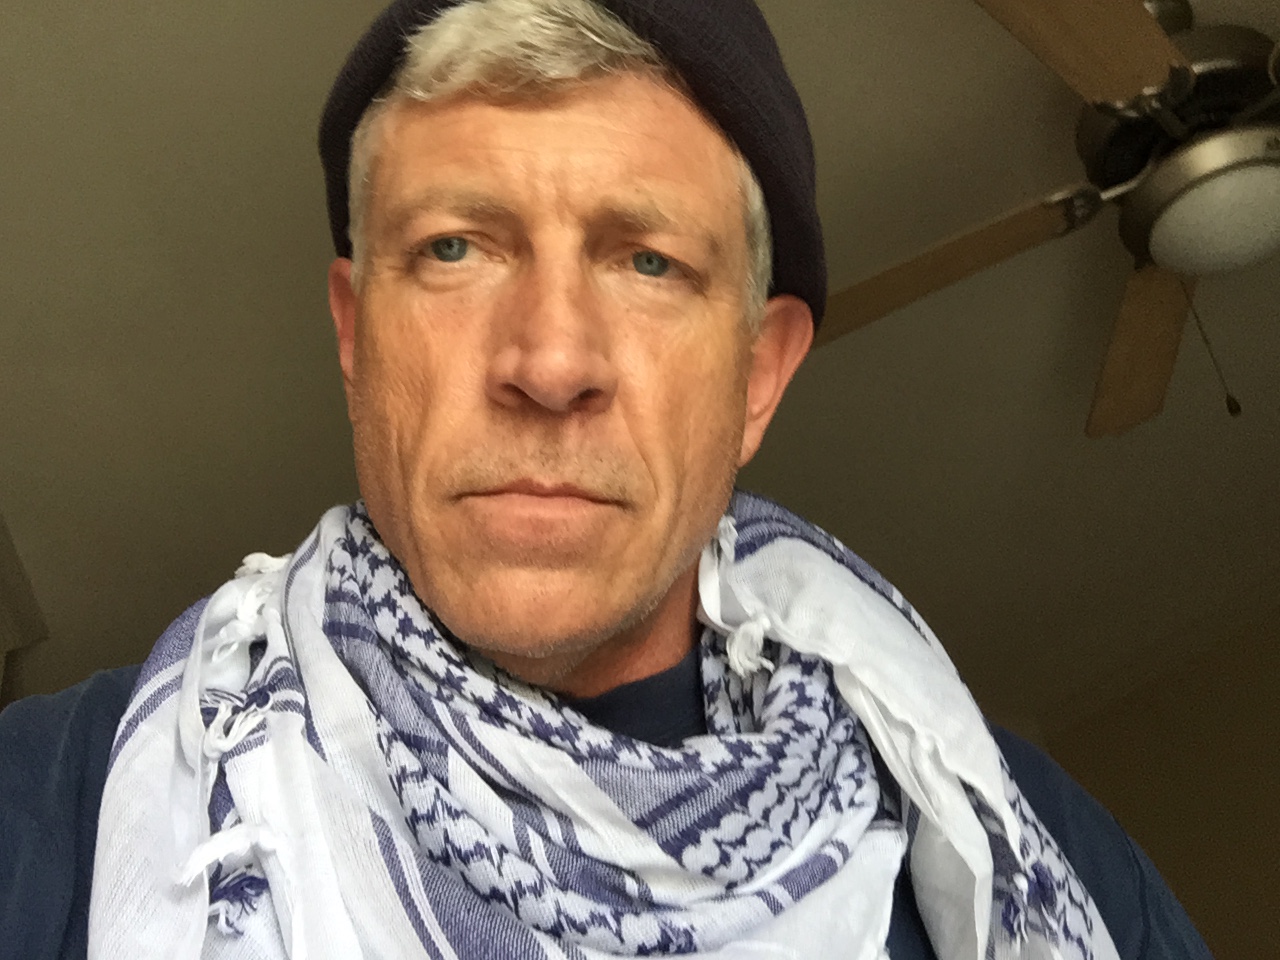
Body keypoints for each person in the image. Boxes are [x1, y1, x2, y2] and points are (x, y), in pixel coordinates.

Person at [0, 1, 1214, 958]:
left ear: (756, 377)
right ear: (356, 334)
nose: (549, 362)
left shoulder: (1016, 832)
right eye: (455, 248)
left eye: (647, 262)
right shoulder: (63, 802)